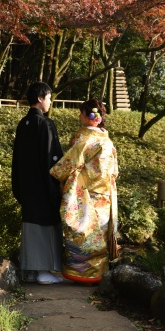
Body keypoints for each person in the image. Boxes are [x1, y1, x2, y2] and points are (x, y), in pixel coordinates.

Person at [50, 98, 118, 285]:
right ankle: (97, 273)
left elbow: (71, 162)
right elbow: (114, 171)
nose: (79, 116)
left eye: (81, 113)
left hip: (86, 193)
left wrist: (55, 175)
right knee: (100, 234)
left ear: (89, 117)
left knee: (83, 233)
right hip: (104, 194)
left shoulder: (84, 138)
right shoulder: (107, 141)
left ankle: (81, 274)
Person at [11, 81, 64, 284]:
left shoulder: (23, 124)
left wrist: (18, 186)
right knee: (45, 224)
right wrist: (58, 184)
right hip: (43, 185)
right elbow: (53, 159)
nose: (50, 102)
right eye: (49, 98)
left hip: (26, 185)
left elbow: (16, 159)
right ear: (40, 99)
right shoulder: (46, 124)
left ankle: (32, 270)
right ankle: (43, 270)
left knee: (31, 223)